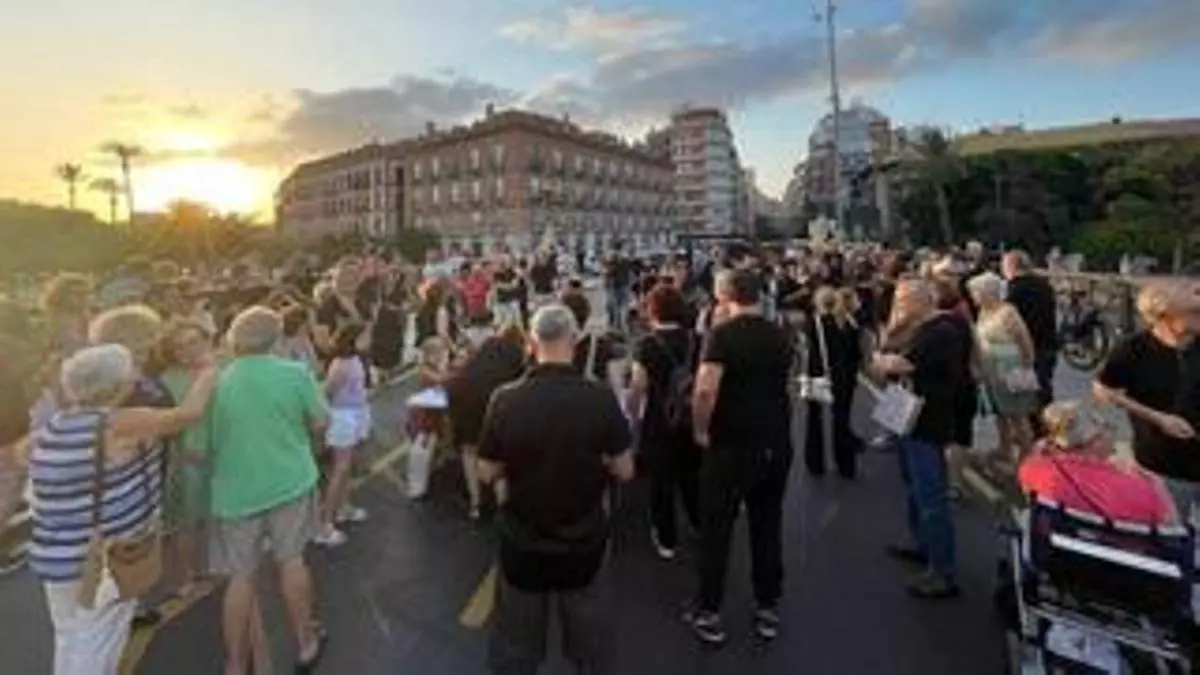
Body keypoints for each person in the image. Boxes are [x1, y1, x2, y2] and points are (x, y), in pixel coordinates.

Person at [28, 344, 217, 675]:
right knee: (100, 635)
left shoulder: (55, 425)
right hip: (107, 556)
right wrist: (208, 373)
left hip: (57, 555)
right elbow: (188, 415)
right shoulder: (119, 423)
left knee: (71, 633)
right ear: (116, 384)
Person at [478, 304, 634, 675]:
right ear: (575, 341)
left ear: (531, 342)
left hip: (522, 541)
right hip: (584, 541)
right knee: (590, 641)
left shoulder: (505, 398)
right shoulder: (598, 397)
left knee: (517, 645)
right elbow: (625, 469)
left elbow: (486, 470)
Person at [206, 307, 329, 675]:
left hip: (235, 488)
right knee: (291, 561)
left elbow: (203, 446)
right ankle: (306, 642)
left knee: (241, 577)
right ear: (275, 340)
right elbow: (321, 421)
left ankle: (234, 662)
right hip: (290, 479)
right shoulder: (294, 374)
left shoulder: (216, 382)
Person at [688, 269, 795, 645]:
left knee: (717, 528)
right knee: (767, 524)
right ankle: (767, 605)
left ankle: (709, 609)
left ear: (726, 297)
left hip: (731, 445)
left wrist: (700, 430)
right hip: (775, 443)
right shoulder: (780, 334)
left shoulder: (722, 336)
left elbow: (705, 390)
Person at [873, 278, 969, 599]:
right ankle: (923, 545)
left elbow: (895, 364)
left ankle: (943, 571)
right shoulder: (918, 328)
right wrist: (893, 335)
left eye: (902, 299)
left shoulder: (941, 331)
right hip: (908, 416)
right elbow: (888, 354)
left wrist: (887, 362)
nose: (897, 305)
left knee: (931, 496)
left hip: (926, 421)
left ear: (922, 300)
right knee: (914, 487)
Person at [1094, 282, 1200, 519]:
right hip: (1164, 466)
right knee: (1172, 536)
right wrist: (1158, 418)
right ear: (1166, 318)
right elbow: (1103, 390)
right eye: (1195, 312)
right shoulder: (1133, 349)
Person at [626, 284, 700, 560]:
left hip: (658, 423)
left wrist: (633, 423)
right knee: (691, 475)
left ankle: (666, 538)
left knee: (661, 483)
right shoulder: (695, 340)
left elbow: (637, 388)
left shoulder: (646, 345)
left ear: (651, 310)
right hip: (689, 420)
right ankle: (698, 521)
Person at [1019, 401, 1177, 525]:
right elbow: (1170, 526)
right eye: (1106, 427)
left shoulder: (1032, 471)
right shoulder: (1146, 490)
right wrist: (1154, 482)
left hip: (1060, 554)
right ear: (1094, 441)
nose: (1112, 431)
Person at [447, 322, 527, 520]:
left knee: (469, 449)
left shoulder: (489, 343)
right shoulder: (518, 354)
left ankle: (476, 505)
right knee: (500, 453)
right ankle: (503, 508)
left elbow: (468, 363)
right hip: (492, 398)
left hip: (462, 391)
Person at [968, 272, 1039, 464]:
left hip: (1010, 367)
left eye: (975, 292)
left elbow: (1025, 341)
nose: (973, 296)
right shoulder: (984, 311)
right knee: (1000, 411)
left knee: (1017, 414)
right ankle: (1004, 448)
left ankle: (1028, 456)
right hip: (991, 366)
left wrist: (1025, 369)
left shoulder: (1008, 312)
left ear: (987, 292)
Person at [315, 322, 372, 547]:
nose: (369, 339)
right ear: (354, 339)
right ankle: (325, 523)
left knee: (346, 467)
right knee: (340, 469)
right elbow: (327, 393)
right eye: (365, 335)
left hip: (356, 413)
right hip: (343, 418)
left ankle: (343, 508)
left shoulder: (354, 359)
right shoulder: (340, 365)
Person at [803, 287, 866, 480]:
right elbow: (857, 355)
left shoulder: (813, 323)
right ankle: (846, 466)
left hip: (816, 374)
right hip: (844, 377)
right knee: (842, 419)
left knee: (814, 419)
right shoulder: (850, 323)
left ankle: (815, 463)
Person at [1002, 250, 1058, 433]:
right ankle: (1052, 428)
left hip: (1024, 349)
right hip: (1048, 343)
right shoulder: (1044, 285)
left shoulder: (1014, 290)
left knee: (1026, 396)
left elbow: (1008, 322)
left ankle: (1035, 434)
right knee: (1044, 389)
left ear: (1011, 266)